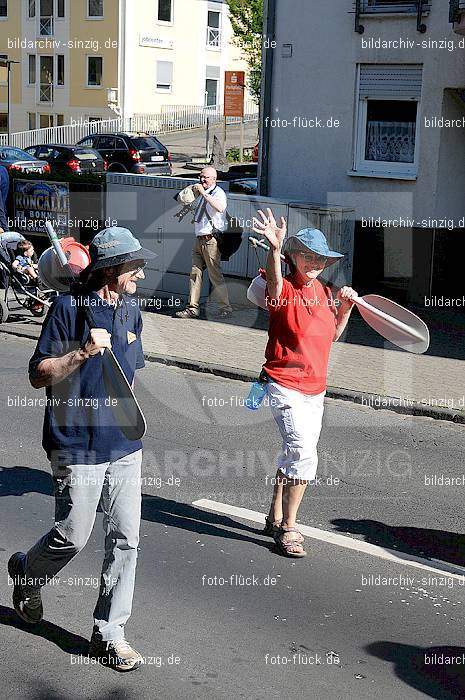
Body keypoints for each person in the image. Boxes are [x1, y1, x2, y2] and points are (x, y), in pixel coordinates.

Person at [8, 226, 156, 671]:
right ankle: (28, 573)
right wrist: (82, 355)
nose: (141, 274)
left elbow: (130, 373)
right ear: (111, 271)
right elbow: (39, 374)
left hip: (124, 443)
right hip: (75, 444)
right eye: (135, 266)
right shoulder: (67, 309)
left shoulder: (131, 309)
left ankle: (108, 634)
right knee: (73, 534)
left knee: (126, 539)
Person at [252, 208, 358, 558]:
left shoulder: (326, 292)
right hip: (284, 383)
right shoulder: (280, 286)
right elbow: (276, 283)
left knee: (294, 454)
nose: (313, 262)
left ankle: (273, 515)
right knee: (303, 453)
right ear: (293, 257)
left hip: (316, 389)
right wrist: (273, 247)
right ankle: (289, 527)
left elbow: (331, 337)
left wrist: (344, 309)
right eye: (306, 255)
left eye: (319, 258)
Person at [176, 166, 233, 319]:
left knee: (215, 276)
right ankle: (192, 308)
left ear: (214, 179)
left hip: (211, 241)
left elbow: (220, 208)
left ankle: (225, 308)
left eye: (206, 177)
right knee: (195, 274)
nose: (202, 180)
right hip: (199, 240)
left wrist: (202, 192)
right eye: (201, 176)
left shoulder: (218, 193)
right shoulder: (203, 193)